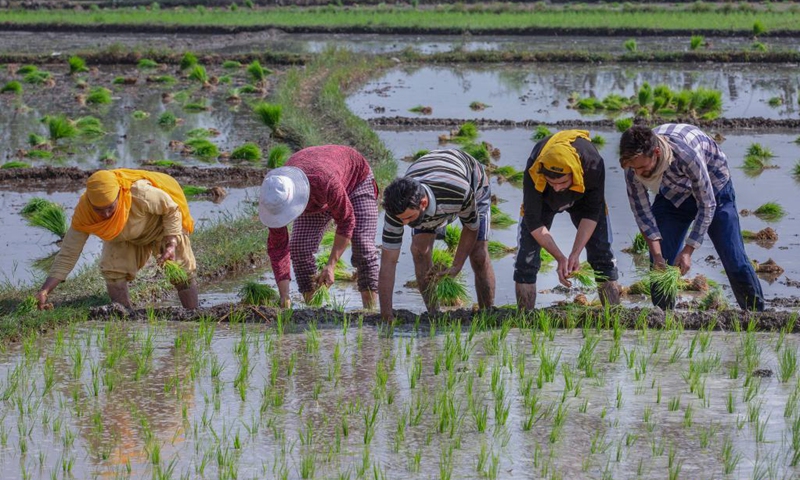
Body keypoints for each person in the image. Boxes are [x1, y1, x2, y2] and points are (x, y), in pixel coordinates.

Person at [619, 123, 764, 311]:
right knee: (660, 264)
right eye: (634, 168)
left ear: (656, 152)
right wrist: (657, 255)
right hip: (672, 193)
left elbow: (706, 204)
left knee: (733, 257)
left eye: (642, 167)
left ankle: (756, 315)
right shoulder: (633, 165)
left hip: (714, 189)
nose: (638, 173)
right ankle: (664, 320)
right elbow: (642, 212)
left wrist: (688, 251)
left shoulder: (686, 155)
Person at [36, 169, 198, 309]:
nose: (106, 215)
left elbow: (171, 210)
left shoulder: (140, 193)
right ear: (90, 203)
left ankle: (193, 315)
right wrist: (45, 291)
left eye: (110, 208)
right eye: (99, 210)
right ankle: (124, 317)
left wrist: (171, 244)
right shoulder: (84, 213)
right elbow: (68, 253)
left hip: (162, 229)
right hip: (127, 236)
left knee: (181, 273)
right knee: (113, 272)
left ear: (119, 195)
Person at [379, 148, 495, 321]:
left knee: (478, 254)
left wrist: (456, 266)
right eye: (401, 220)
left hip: (472, 184)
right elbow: (388, 262)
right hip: (431, 186)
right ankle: (434, 315)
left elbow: (471, 227)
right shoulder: (396, 210)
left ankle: (488, 314)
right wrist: (386, 315)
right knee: (419, 251)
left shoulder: (458, 191)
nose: (404, 224)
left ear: (423, 203)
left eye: (409, 218)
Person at [259, 145, 379, 309]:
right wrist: (284, 295)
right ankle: (313, 311)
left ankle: (371, 312)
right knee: (300, 248)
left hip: (355, 181)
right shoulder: (274, 195)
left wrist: (331, 265)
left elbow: (346, 220)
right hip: (317, 193)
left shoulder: (323, 180)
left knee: (362, 246)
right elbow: (278, 247)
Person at [515, 129, 620, 309]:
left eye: (562, 182)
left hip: (583, 197)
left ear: (575, 172)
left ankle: (614, 315)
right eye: (552, 182)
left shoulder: (593, 165)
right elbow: (533, 220)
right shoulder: (535, 168)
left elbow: (592, 212)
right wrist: (560, 258)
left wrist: (575, 254)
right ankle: (524, 320)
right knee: (526, 261)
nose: (557, 188)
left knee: (602, 256)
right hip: (543, 200)